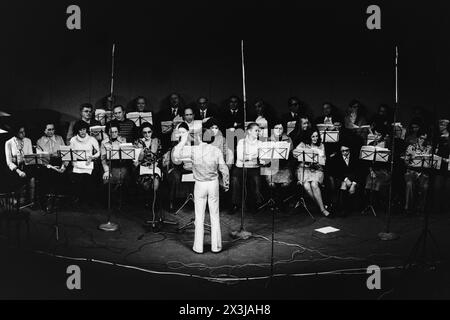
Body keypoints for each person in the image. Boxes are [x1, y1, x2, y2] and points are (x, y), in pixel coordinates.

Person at [173, 122, 229, 254]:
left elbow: (176, 156)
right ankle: (216, 247)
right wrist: (226, 183)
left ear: (199, 138)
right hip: (213, 183)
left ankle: (198, 247)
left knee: (199, 216)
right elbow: (224, 168)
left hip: (200, 185)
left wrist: (183, 139)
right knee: (215, 215)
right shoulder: (216, 151)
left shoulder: (193, 150)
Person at [293, 129, 330, 216]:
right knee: (306, 185)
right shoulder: (303, 144)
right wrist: (302, 155)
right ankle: (321, 206)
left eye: (317, 136)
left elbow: (324, 159)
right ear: (309, 136)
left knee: (314, 184)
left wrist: (319, 160)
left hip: (317, 169)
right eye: (313, 136)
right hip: (304, 169)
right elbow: (294, 153)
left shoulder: (321, 145)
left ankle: (322, 209)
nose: (315, 138)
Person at [63, 121, 100, 207]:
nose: (83, 132)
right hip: (77, 164)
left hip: (88, 164)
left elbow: (98, 152)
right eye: (80, 130)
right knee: (76, 181)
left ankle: (88, 202)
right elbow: (70, 153)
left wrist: (92, 157)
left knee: (88, 181)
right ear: (77, 131)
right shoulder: (73, 140)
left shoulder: (92, 139)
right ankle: (77, 201)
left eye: (84, 129)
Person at [230, 123, 265, 214]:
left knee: (256, 180)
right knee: (235, 179)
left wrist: (249, 157)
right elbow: (241, 157)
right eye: (256, 130)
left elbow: (261, 158)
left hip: (254, 167)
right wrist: (253, 157)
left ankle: (255, 204)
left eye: (259, 131)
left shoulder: (260, 143)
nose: (258, 132)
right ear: (249, 131)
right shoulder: (242, 142)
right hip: (241, 167)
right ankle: (235, 204)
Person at [260, 120, 294, 211]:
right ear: (272, 129)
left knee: (285, 184)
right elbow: (264, 156)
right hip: (272, 166)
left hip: (284, 166)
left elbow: (291, 154)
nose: (278, 130)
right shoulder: (268, 139)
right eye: (276, 128)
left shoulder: (288, 139)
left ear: (283, 129)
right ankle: (275, 202)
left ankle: (279, 202)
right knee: (271, 184)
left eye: (280, 128)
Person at [133, 123, 164, 209]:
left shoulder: (156, 141)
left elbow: (160, 155)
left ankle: (154, 203)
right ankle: (147, 201)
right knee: (146, 183)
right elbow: (135, 158)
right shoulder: (138, 142)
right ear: (142, 133)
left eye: (149, 132)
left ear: (152, 132)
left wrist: (156, 163)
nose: (147, 134)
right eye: (145, 132)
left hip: (154, 166)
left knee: (155, 180)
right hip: (142, 167)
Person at [36, 122, 67, 207]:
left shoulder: (60, 138)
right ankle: (46, 202)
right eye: (49, 129)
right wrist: (52, 167)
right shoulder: (40, 141)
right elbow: (41, 159)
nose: (51, 131)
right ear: (44, 131)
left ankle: (56, 201)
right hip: (47, 165)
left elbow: (66, 154)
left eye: (53, 129)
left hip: (59, 164)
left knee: (60, 179)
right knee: (45, 178)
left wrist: (64, 166)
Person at [327, 141, 362, 215]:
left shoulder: (355, 157)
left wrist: (353, 184)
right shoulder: (336, 158)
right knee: (344, 184)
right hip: (341, 178)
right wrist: (346, 180)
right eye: (343, 151)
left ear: (350, 150)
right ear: (340, 151)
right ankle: (342, 208)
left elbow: (358, 172)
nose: (345, 153)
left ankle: (344, 208)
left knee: (346, 185)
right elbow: (337, 172)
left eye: (347, 150)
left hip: (353, 178)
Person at [101, 125, 131, 208]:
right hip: (110, 165)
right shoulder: (104, 142)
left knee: (125, 179)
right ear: (108, 133)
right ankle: (111, 204)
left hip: (121, 164)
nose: (114, 134)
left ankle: (122, 204)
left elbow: (127, 155)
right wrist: (107, 171)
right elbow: (103, 159)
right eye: (111, 132)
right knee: (107, 181)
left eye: (116, 132)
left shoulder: (123, 140)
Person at [4, 124, 35, 205]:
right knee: (18, 201)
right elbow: (9, 162)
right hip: (15, 170)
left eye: (24, 131)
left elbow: (30, 156)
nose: (23, 134)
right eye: (21, 132)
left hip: (26, 167)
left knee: (32, 180)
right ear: (15, 132)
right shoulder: (9, 143)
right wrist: (19, 171)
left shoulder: (28, 141)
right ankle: (17, 199)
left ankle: (31, 202)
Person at [403, 129, 432, 215]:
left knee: (425, 186)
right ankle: (408, 208)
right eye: (421, 138)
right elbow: (406, 161)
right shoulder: (411, 147)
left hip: (423, 172)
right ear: (418, 138)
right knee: (409, 184)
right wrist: (410, 161)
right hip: (412, 171)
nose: (422, 140)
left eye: (425, 139)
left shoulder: (429, 148)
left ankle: (420, 208)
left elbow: (432, 163)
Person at [433, 118, 450, 213]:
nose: (441, 127)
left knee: (447, 188)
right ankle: (437, 208)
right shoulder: (438, 137)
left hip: (448, 165)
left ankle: (445, 209)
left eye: (443, 125)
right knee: (437, 187)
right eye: (440, 125)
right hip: (439, 164)